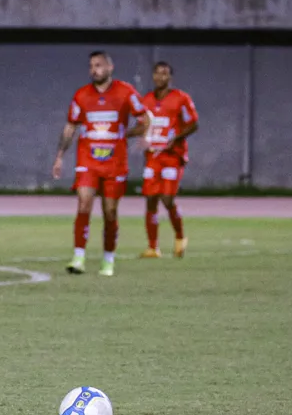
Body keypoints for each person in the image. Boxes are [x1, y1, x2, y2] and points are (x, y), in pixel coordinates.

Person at [52, 51, 153, 277]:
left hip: (115, 163)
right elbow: (71, 126)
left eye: (98, 65)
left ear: (109, 67)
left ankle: (108, 259)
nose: (93, 70)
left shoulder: (126, 92)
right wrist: (60, 155)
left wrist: (131, 134)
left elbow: (144, 119)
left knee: (110, 212)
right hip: (87, 160)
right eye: (91, 66)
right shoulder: (82, 96)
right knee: (84, 204)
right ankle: (78, 257)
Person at [140, 61, 199, 259]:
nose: (160, 77)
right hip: (153, 156)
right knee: (150, 200)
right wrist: (138, 137)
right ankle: (152, 247)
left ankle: (180, 237)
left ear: (170, 78)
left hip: (173, 156)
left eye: (164, 74)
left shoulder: (181, 98)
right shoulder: (146, 99)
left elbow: (193, 124)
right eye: (157, 73)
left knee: (167, 199)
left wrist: (176, 138)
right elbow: (144, 125)